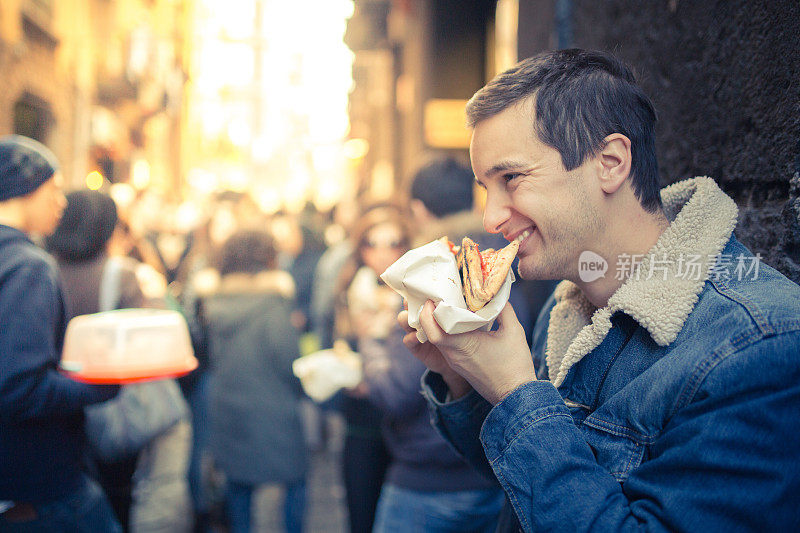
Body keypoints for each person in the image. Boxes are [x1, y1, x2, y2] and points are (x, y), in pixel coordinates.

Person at [399, 49, 800, 532]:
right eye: (486, 188)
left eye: (512, 179)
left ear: (610, 162)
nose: (491, 218)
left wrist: (516, 392)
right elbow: (531, 494)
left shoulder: (761, 344)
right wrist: (465, 377)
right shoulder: (567, 301)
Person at [348, 207, 504, 532]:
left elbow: (397, 392)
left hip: (429, 474)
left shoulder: (428, 283)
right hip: (485, 471)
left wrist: (370, 343)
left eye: (394, 242)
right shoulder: (506, 278)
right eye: (371, 243)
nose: (383, 252)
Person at [45, 189, 191, 533]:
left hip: (61, 407)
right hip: (118, 405)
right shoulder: (123, 274)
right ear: (108, 228)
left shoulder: (42, 269)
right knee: (127, 494)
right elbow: (165, 338)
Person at [0, 135, 122, 531]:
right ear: (24, 192)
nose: (62, 201)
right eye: (52, 189)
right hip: (40, 485)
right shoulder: (27, 266)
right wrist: (101, 387)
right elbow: (19, 388)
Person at [200, 229, 307, 533]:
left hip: (229, 408)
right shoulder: (273, 304)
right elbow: (290, 361)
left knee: (238, 487)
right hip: (274, 409)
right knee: (294, 481)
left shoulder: (212, 303)